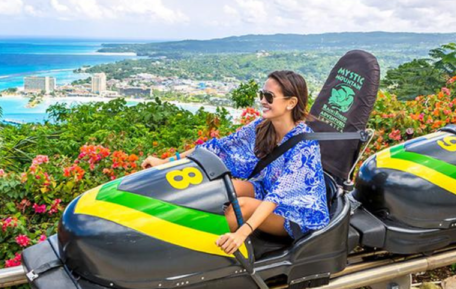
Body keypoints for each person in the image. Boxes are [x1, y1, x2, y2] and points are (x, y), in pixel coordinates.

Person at [141, 70, 330, 255]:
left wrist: (242, 233)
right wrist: (166, 162)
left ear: (291, 102)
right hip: (266, 189)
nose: (263, 101)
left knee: (240, 207)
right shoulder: (263, 127)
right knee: (218, 187)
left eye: (269, 97)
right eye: (262, 94)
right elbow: (218, 147)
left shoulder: (304, 145)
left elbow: (279, 195)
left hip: (296, 211)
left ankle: (192, 250)